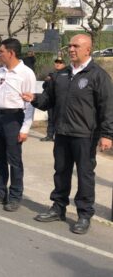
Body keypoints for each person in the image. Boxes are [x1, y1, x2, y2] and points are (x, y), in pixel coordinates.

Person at [22, 34, 113, 234]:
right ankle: (58, 207)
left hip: (85, 135)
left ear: (88, 50)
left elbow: (107, 108)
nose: (71, 49)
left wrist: (107, 135)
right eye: (69, 46)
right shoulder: (61, 75)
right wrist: (34, 99)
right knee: (61, 171)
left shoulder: (98, 75)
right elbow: (48, 102)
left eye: (76, 46)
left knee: (85, 175)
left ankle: (84, 214)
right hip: (62, 133)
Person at [0, 38, 36, 211]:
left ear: (11, 53)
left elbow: (30, 103)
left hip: (14, 119)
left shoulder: (26, 73)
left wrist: (25, 128)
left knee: (14, 160)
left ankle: (15, 196)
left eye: (1, 51)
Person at [40, 57, 67, 142]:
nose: (57, 64)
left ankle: (60, 137)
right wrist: (47, 81)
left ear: (64, 64)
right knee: (51, 118)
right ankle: (49, 135)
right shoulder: (51, 74)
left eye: (60, 62)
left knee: (60, 119)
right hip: (51, 100)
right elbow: (44, 87)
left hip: (61, 100)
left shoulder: (68, 74)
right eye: (56, 62)